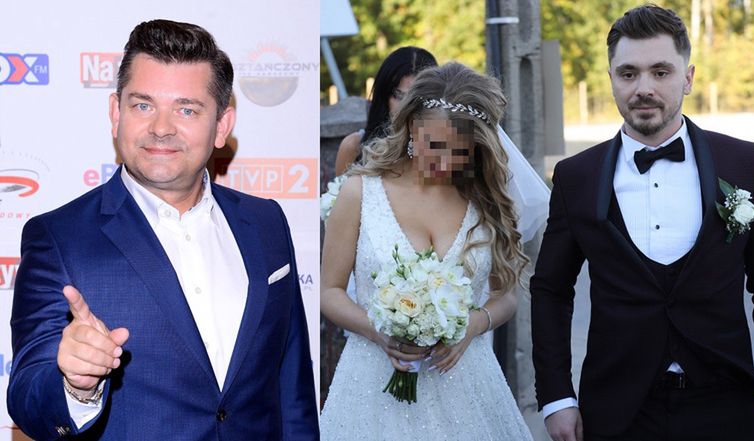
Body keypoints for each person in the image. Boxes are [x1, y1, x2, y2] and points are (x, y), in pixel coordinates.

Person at [7, 19, 318, 440]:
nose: (161, 127)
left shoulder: (266, 223)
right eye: (143, 106)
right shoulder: (59, 238)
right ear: (116, 113)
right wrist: (76, 386)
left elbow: (292, 385)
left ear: (222, 125)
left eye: (186, 109)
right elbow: (27, 396)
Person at [531, 5, 754, 441]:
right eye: (628, 73)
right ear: (611, 78)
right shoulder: (576, 177)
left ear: (688, 77)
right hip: (615, 412)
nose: (643, 88)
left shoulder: (742, 162)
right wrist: (557, 398)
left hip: (729, 407)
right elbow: (551, 290)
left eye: (661, 72)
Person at [319, 62, 538, 440]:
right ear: (410, 128)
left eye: (459, 151)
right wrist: (379, 332)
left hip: (467, 385)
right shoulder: (360, 192)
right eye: (433, 145)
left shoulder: (485, 200)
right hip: (372, 385)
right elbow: (329, 291)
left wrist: (472, 326)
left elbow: (505, 298)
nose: (443, 162)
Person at [333, 46, 437, 175]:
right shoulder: (353, 147)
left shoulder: (444, 150)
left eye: (416, 99)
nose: (406, 107)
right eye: (398, 95)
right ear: (383, 96)